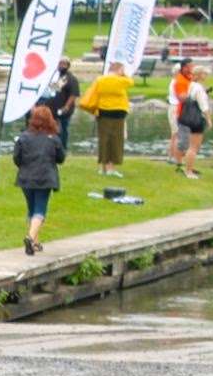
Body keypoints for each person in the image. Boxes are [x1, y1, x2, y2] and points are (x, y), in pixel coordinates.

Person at [13, 104, 67, 255]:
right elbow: (61, 158)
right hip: (45, 178)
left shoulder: (23, 137)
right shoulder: (53, 139)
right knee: (40, 210)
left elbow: (17, 158)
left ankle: (35, 243)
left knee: (31, 209)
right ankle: (30, 238)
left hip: (26, 178)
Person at [79, 62, 131, 177]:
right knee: (116, 141)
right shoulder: (121, 81)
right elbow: (130, 82)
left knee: (104, 140)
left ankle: (104, 166)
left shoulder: (100, 80)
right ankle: (111, 167)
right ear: (119, 70)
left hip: (103, 113)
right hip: (118, 114)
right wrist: (123, 74)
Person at [179, 65, 212, 179]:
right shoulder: (199, 88)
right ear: (199, 75)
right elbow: (204, 106)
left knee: (192, 146)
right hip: (197, 119)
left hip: (189, 117)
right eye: (205, 74)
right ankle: (189, 171)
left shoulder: (191, 85)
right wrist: (209, 119)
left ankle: (189, 167)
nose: (206, 76)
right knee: (194, 147)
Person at [45, 58, 78, 150]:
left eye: (63, 64)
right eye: (60, 63)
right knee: (54, 128)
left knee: (63, 128)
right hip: (53, 109)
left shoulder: (71, 79)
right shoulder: (60, 78)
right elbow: (53, 90)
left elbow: (73, 95)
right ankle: (54, 147)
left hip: (64, 109)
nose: (61, 66)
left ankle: (63, 148)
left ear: (68, 66)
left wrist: (66, 107)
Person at [166, 58, 194, 165]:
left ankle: (173, 155)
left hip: (175, 107)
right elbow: (181, 97)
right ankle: (174, 156)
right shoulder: (177, 82)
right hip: (175, 107)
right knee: (176, 133)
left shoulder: (176, 81)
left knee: (175, 134)